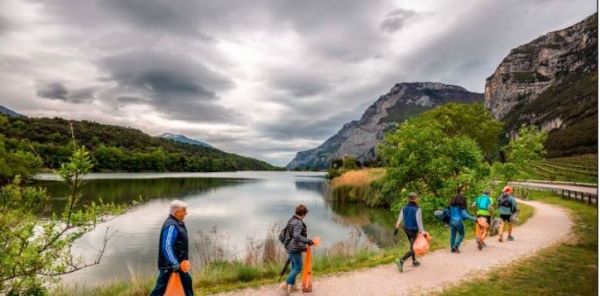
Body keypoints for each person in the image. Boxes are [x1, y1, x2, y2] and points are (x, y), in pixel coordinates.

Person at [150, 200, 194, 296]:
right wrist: (174, 263)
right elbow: (167, 246)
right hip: (170, 266)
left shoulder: (177, 223)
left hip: (179, 265)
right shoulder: (172, 225)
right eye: (184, 210)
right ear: (176, 212)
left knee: (187, 283)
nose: (186, 213)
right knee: (159, 290)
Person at [279, 205, 314, 293]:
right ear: (302, 214)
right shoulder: (298, 222)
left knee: (294, 266)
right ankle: (286, 284)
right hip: (295, 248)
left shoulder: (291, 220)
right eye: (305, 214)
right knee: (298, 267)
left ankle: (293, 286)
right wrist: (308, 241)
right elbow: (296, 236)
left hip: (289, 246)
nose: (304, 216)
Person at [393, 192, 427, 272]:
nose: (418, 199)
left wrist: (396, 228)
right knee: (414, 248)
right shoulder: (418, 209)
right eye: (417, 198)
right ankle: (401, 260)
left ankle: (414, 261)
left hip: (406, 229)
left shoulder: (404, 207)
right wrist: (423, 232)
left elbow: (400, 218)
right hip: (413, 230)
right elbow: (419, 222)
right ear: (415, 199)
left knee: (412, 246)